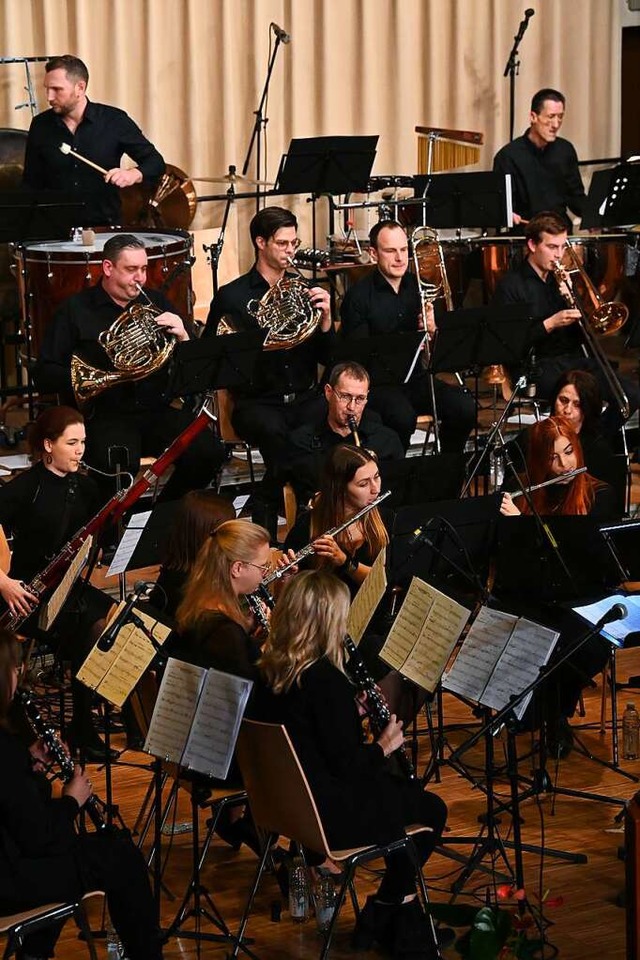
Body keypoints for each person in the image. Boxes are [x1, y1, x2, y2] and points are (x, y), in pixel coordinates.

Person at [254, 570, 447, 958]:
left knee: (398, 809)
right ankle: (391, 910)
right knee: (429, 810)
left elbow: (314, 737)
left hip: (287, 808)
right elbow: (350, 766)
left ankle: (388, 912)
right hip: (329, 816)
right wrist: (383, 745)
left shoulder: (268, 671)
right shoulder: (326, 680)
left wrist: (351, 712)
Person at [0, 629, 164, 960]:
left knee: (94, 852)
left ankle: (34, 954)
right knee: (119, 857)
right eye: (15, 669)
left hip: (9, 865)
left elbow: (10, 801)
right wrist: (71, 799)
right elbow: (40, 838)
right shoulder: (3, 750)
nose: (20, 676)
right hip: (9, 882)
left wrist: (29, 762)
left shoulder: (7, 751)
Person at [34, 234, 225, 504]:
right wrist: (97, 376)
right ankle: (109, 536)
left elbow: (196, 369)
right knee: (118, 466)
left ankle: (161, 516)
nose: (140, 278)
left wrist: (184, 336)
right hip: (104, 415)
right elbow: (43, 373)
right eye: (131, 269)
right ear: (108, 268)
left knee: (209, 452)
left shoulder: (156, 304)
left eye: (144, 269)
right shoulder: (75, 310)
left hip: (156, 411)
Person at [203, 206, 334, 526]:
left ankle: (268, 504)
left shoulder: (304, 290)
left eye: (294, 243)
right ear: (260, 243)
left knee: (321, 428)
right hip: (257, 402)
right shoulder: (232, 296)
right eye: (282, 244)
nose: (291, 251)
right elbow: (211, 356)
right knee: (289, 441)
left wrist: (327, 321)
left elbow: (329, 358)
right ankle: (312, 513)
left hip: (304, 399)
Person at [0, 406, 115, 761]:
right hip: (24, 596)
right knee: (84, 629)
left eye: (83, 442)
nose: (80, 450)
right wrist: (3, 582)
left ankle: (84, 719)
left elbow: (99, 538)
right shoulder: (25, 488)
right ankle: (74, 725)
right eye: (71, 443)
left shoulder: (87, 485)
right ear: (48, 445)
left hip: (67, 589)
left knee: (114, 621)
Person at [492, 211, 639, 432]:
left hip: (572, 360)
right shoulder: (511, 286)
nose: (559, 255)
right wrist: (549, 323)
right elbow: (508, 343)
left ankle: (589, 442)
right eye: (552, 247)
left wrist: (572, 299)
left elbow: (584, 336)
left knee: (630, 394)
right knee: (580, 398)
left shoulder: (560, 281)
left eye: (563, 247)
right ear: (532, 245)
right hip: (536, 367)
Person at [340, 220, 476, 454]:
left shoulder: (417, 287)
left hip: (415, 378)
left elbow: (439, 353)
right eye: (391, 251)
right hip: (378, 384)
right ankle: (398, 478)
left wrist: (433, 330)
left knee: (464, 408)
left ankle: (444, 468)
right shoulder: (358, 297)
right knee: (402, 416)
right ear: (374, 253)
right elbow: (356, 357)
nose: (400, 258)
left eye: (404, 250)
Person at [22, 54, 165, 226]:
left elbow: (155, 162)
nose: (49, 97)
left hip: (104, 227)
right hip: (56, 232)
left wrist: (132, 174)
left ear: (80, 88)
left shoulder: (114, 120)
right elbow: (30, 184)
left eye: (57, 89)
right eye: (47, 89)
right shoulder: (41, 125)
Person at [282, 361, 404, 506]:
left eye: (360, 399)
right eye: (345, 396)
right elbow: (270, 495)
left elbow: (398, 495)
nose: (352, 407)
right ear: (328, 392)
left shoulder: (387, 441)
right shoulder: (301, 441)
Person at [284, 444, 388, 595]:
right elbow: (287, 599)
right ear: (340, 488)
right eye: (363, 484)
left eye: (377, 477)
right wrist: (287, 578)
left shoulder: (386, 518)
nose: (376, 489)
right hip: (326, 613)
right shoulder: (306, 527)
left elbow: (386, 581)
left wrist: (345, 562)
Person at [492, 88, 586, 228]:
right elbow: (501, 206)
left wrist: (594, 216)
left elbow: (576, 198)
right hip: (526, 236)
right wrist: (507, 214)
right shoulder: (508, 156)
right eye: (551, 116)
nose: (556, 124)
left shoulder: (565, 150)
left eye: (560, 117)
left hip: (560, 234)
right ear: (533, 117)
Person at [500, 416, 617, 519]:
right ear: (540, 460)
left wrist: (518, 522)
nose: (564, 464)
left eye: (569, 452)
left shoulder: (599, 495)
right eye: (553, 458)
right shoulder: (519, 485)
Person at [148, 490, 235, 619]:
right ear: (203, 536)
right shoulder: (184, 589)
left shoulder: (191, 572)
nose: (232, 539)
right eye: (225, 533)